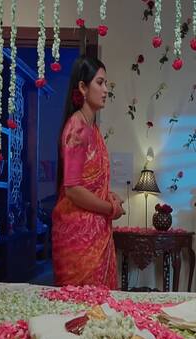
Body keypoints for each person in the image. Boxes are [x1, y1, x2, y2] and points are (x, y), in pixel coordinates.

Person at [52, 56, 124, 288]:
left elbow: (90, 182)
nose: (106, 90)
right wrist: (110, 208)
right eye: (100, 83)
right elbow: (73, 189)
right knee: (81, 304)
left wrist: (108, 195)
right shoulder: (78, 128)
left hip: (96, 233)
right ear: (83, 87)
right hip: (79, 240)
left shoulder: (92, 128)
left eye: (106, 84)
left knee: (98, 305)